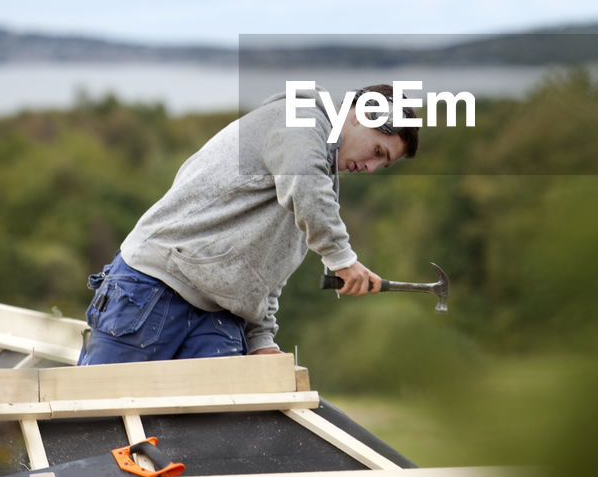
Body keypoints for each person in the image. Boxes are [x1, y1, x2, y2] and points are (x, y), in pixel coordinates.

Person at [78, 84, 419, 364]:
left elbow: (271, 266)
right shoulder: (299, 121)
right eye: (377, 151)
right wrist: (342, 260)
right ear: (361, 115)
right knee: (99, 422)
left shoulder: (317, 180)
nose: (371, 167)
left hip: (220, 315)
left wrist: (261, 337)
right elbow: (306, 188)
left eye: (382, 164)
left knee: (215, 439)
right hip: (154, 288)